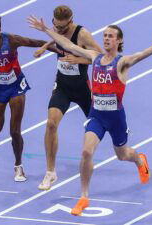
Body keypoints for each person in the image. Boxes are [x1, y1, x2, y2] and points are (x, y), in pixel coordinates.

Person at [28, 15, 152, 215]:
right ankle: (84, 197)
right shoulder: (94, 57)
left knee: (122, 155)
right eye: (104, 36)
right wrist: (45, 30)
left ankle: (139, 159)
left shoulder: (123, 63)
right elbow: (67, 43)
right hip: (96, 116)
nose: (106, 39)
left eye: (110, 36)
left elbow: (140, 55)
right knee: (86, 152)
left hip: (116, 119)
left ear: (119, 41)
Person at [0, 13, 56, 182]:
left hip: (15, 87)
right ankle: (1, 110)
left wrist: (60, 51)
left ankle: (18, 166)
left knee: (14, 131)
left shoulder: (11, 41)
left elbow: (36, 43)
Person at [33, 5, 103, 191]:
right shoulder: (57, 29)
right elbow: (58, 40)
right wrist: (44, 47)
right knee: (51, 124)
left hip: (82, 89)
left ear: (71, 22)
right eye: (56, 27)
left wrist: (79, 60)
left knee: (104, 127)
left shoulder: (83, 34)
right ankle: (50, 172)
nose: (59, 30)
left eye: (63, 28)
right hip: (63, 86)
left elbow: (101, 57)